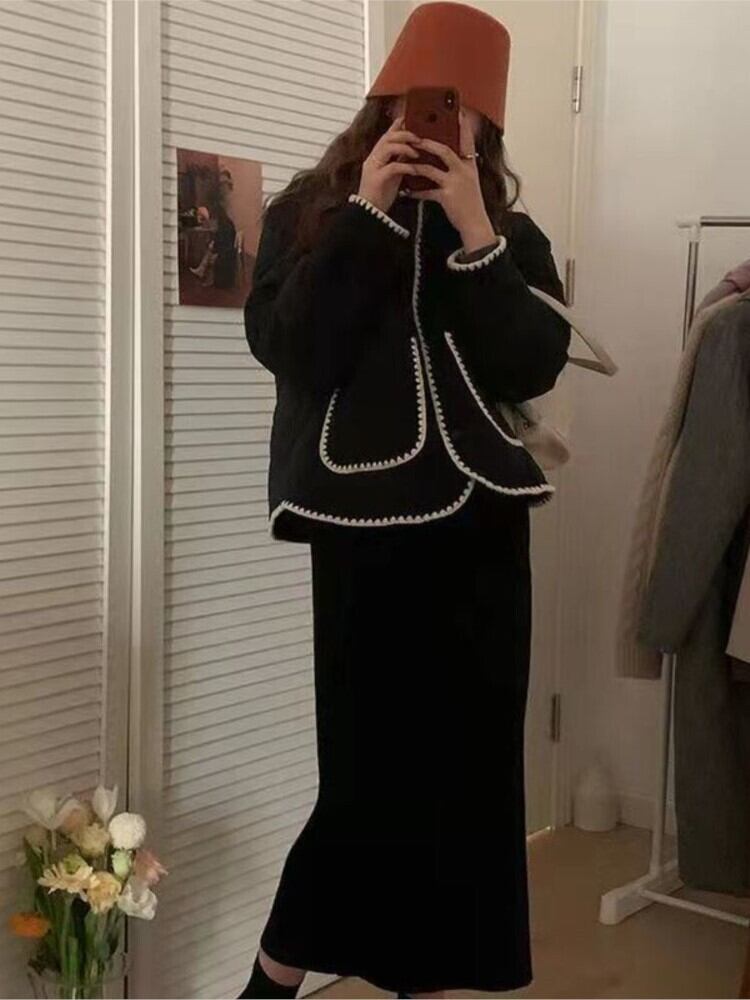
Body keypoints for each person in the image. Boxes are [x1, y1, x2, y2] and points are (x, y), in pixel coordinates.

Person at [240, 3, 571, 997]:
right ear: (388, 101)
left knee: (471, 781)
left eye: (461, 112)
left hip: (483, 528)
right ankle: (272, 979)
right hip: (362, 527)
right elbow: (292, 349)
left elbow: (532, 361)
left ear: (486, 127)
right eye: (427, 103)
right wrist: (370, 217)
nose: (440, 124)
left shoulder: (510, 232)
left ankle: (424, 981)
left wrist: (476, 233)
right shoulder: (310, 214)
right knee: (366, 782)